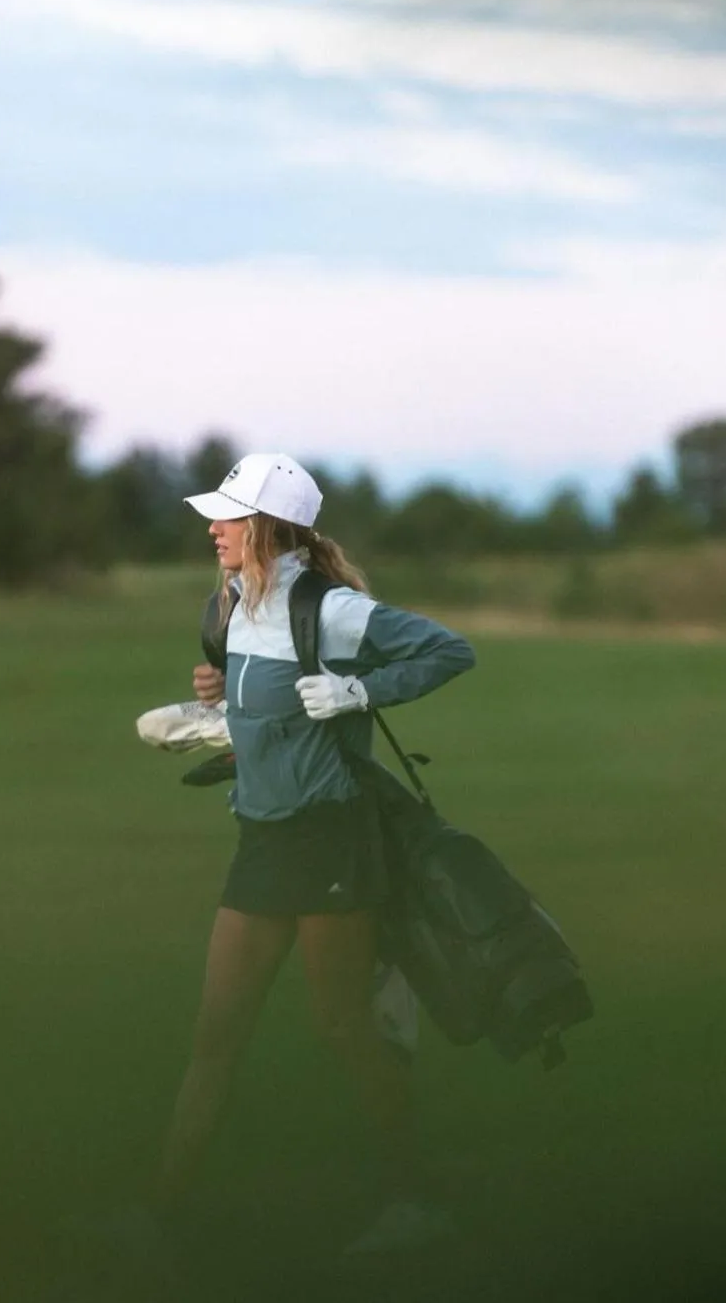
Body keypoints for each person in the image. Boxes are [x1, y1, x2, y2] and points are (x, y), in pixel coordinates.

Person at [151, 452, 476, 1253]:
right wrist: (219, 697)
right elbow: (265, 709)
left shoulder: (328, 609)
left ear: (265, 526)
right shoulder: (232, 604)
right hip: (262, 843)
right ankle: (159, 1220)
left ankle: (415, 1201)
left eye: (227, 517)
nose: (213, 530)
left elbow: (448, 650)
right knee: (215, 1035)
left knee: (343, 1028)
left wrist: (361, 690)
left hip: (331, 842)